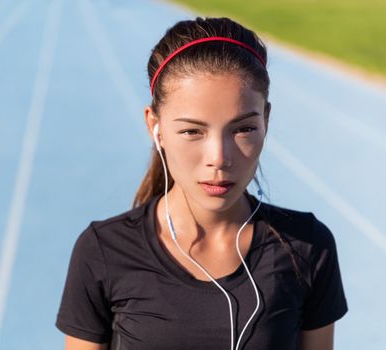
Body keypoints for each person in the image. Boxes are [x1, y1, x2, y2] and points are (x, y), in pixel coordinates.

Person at [55, 16, 348, 350]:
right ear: (156, 127)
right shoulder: (102, 252)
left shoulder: (309, 247)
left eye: (243, 129)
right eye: (192, 131)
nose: (219, 158)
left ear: (266, 120)